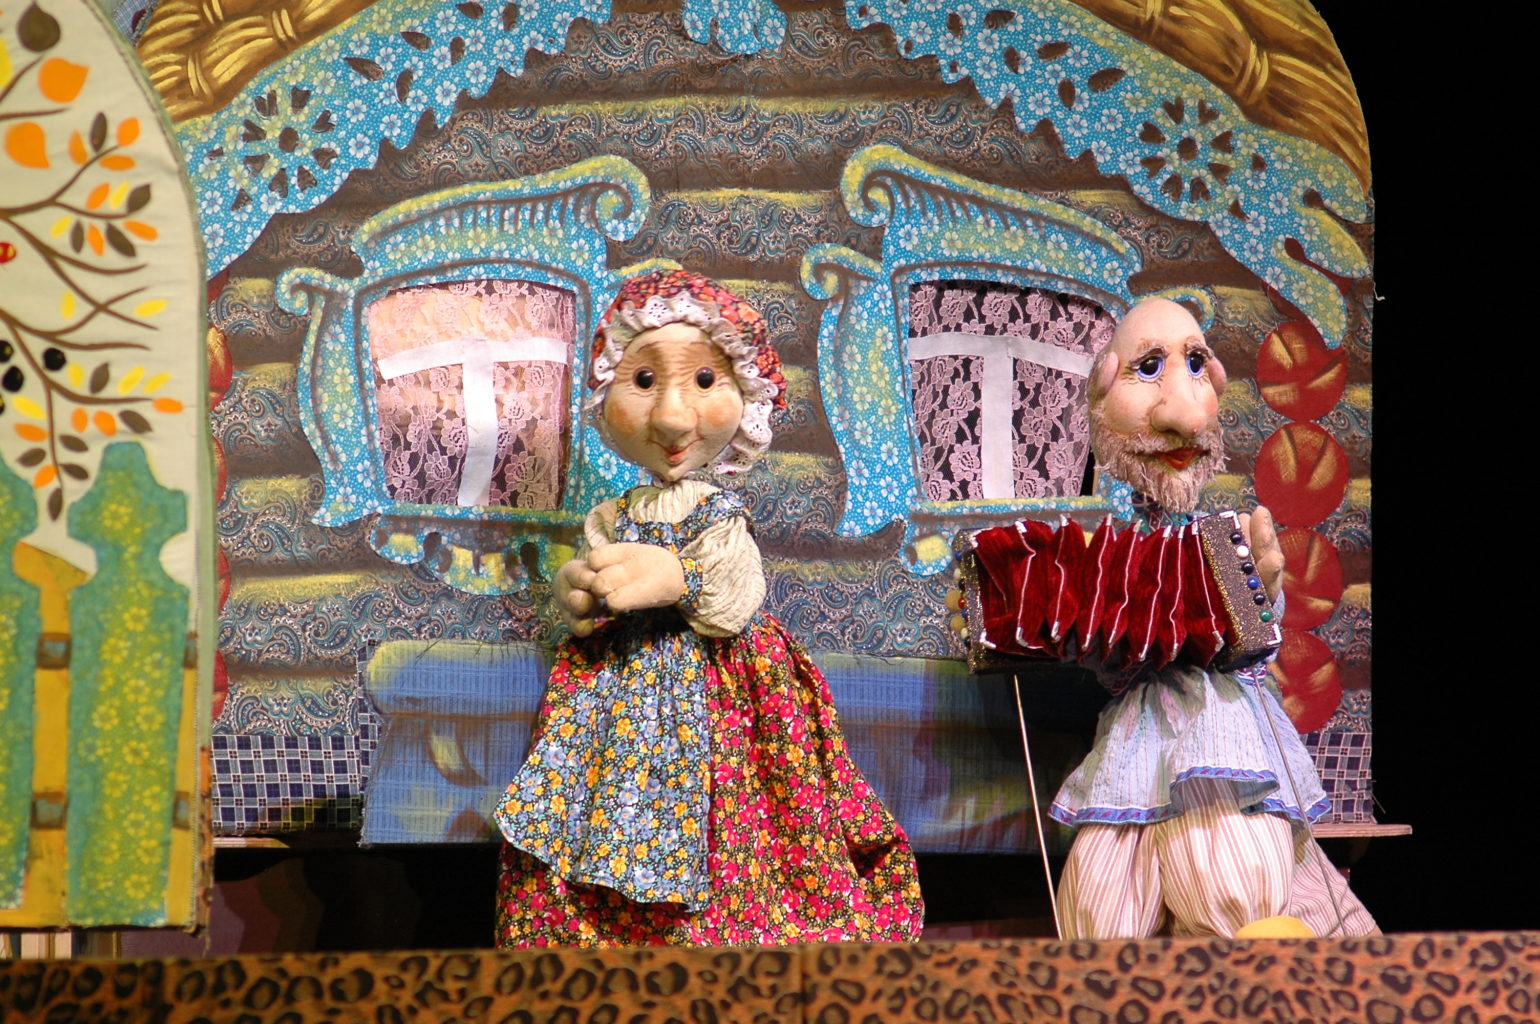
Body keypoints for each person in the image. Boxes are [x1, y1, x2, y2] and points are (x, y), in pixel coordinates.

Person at [493, 269, 924, 947]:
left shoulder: (720, 514)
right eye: (643, 380)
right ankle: (600, 936)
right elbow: (594, 589)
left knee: (738, 804)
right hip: (618, 687)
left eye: (701, 380)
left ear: (744, 396)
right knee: (594, 802)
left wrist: (677, 578)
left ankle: (729, 929)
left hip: (724, 683)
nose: (671, 416)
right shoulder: (613, 514)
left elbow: (734, 601)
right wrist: (580, 589)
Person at [1046, 297, 1377, 938]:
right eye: (1148, 368)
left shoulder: (1217, 540)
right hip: (1136, 745)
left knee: (1234, 882)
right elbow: (1100, 646)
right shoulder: (1110, 548)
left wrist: (1261, 592)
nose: (1182, 410)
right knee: (1103, 916)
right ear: (1105, 390)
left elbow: (1251, 643)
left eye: (1196, 364)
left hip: (1224, 735)